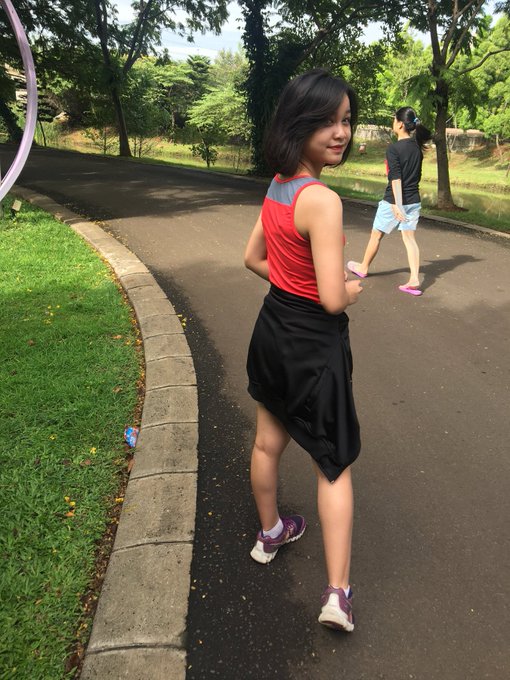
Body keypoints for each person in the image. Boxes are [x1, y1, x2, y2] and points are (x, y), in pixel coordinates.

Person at [244, 69, 364, 632]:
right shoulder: (323, 199)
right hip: (314, 344)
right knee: (333, 464)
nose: (340, 132)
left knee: (268, 442)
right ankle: (337, 594)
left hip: (273, 330)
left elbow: (253, 259)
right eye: (327, 121)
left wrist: (298, 286)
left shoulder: (277, 186)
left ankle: (270, 533)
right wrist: (351, 287)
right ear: (298, 124)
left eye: (346, 120)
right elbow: (334, 300)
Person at [347, 107, 432, 296]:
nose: (393, 122)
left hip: (393, 201)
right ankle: (414, 279)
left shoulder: (394, 149)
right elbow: (415, 177)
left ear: (400, 124)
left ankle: (363, 267)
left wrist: (397, 204)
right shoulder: (417, 148)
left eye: (394, 120)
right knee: (409, 238)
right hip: (414, 200)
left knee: (376, 234)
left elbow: (395, 178)